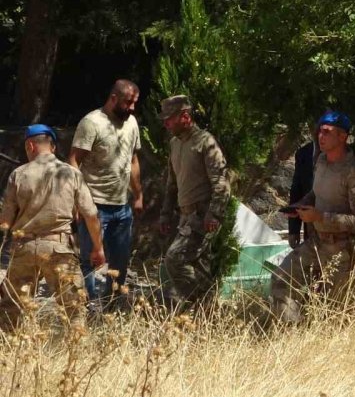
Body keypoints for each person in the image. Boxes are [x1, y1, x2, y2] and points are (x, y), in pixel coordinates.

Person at [0, 125, 107, 332]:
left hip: (24, 249)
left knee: (11, 308)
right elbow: (91, 215)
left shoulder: (18, 174)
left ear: (30, 145)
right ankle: (76, 356)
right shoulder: (71, 174)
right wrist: (98, 248)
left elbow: (5, 221)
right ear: (53, 147)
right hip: (59, 249)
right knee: (74, 308)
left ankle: (10, 356)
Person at [271, 110, 355, 323]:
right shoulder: (321, 161)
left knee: (337, 315)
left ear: (342, 137)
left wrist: (319, 217)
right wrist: (300, 206)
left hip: (343, 251)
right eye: (320, 132)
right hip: (316, 243)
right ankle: (292, 335)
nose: (320, 137)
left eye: (327, 132)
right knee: (281, 279)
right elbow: (316, 193)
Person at [69, 79, 143, 304]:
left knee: (120, 262)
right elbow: (73, 160)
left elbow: (132, 159)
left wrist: (138, 194)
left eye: (134, 103)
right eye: (128, 102)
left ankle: (114, 304)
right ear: (113, 98)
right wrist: (78, 202)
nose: (132, 108)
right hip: (95, 207)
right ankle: (89, 306)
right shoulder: (91, 123)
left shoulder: (132, 123)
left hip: (122, 207)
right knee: (91, 261)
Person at [156, 95, 231, 311]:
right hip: (185, 215)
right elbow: (172, 183)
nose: (166, 123)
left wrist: (214, 214)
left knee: (175, 258)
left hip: (202, 215)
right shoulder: (175, 143)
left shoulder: (205, 142)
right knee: (200, 267)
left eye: (170, 118)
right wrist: (165, 213)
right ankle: (208, 315)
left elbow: (221, 181)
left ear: (185, 116)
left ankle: (201, 304)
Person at [288, 140, 315, 248]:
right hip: (310, 230)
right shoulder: (304, 153)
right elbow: (297, 192)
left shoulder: (346, 152)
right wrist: (294, 230)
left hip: (339, 232)